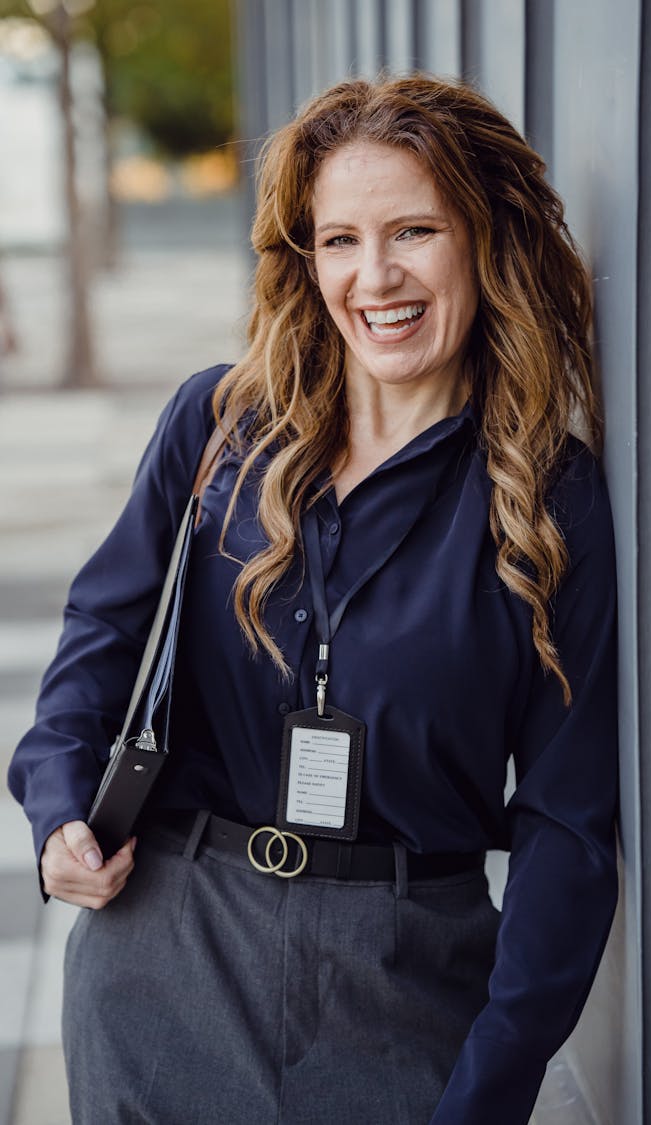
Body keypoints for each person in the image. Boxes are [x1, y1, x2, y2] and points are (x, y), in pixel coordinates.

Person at [8, 74, 618, 1125]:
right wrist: (60, 804)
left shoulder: (545, 497)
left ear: (483, 240)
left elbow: (570, 823)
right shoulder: (219, 425)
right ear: (306, 259)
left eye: (414, 231)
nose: (373, 276)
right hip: (169, 957)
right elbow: (100, 633)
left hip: (407, 989)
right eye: (338, 239)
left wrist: (496, 1077)